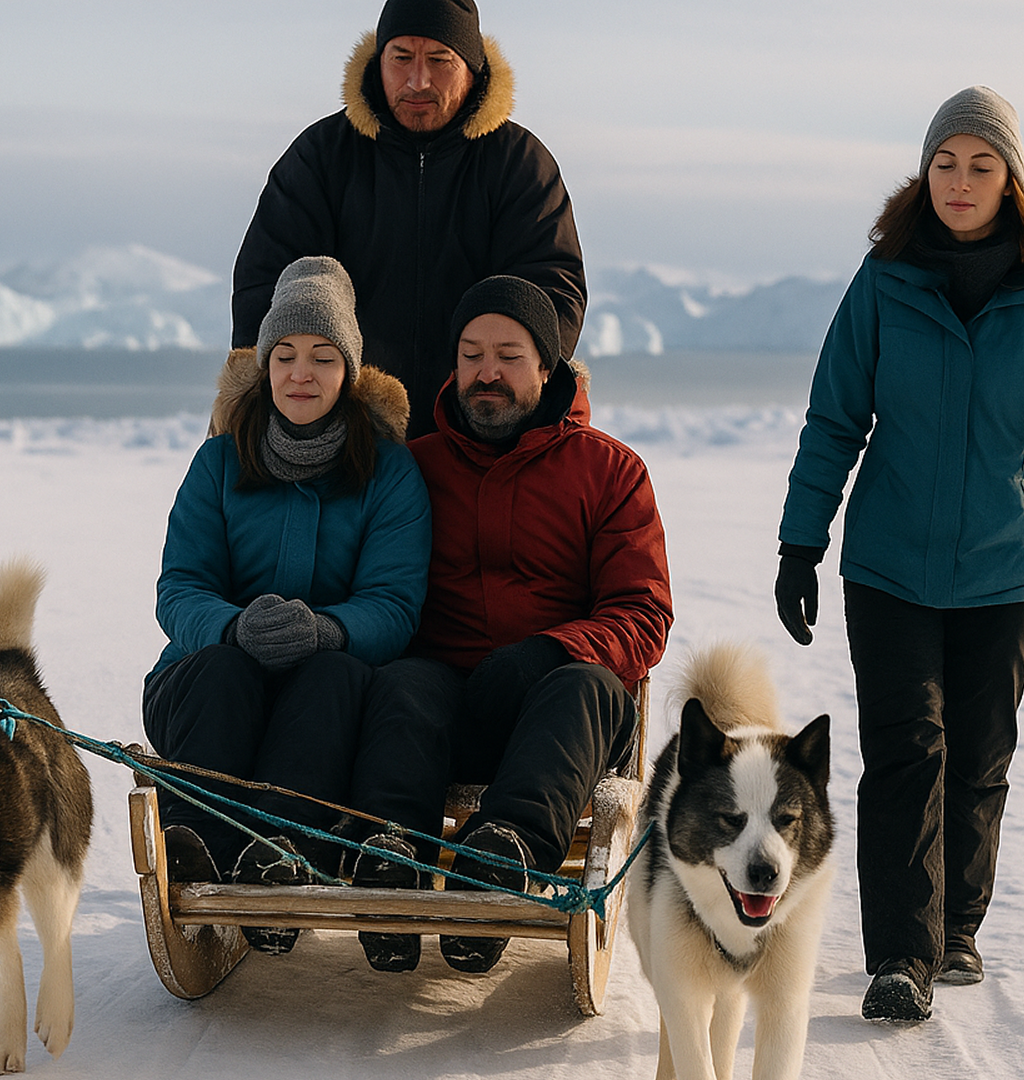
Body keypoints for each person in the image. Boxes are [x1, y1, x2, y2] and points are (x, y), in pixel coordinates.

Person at [774, 86, 1024, 1023]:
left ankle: (958, 926)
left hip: (1005, 569)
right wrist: (800, 541)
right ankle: (901, 953)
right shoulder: (884, 279)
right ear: (922, 173)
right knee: (902, 751)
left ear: (1011, 180)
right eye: (944, 163)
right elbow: (834, 416)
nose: (960, 181)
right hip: (888, 564)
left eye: (980, 164)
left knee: (977, 757)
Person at [347, 275, 672, 974]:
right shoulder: (415, 466)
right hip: (446, 698)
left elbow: (643, 612)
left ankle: (499, 860)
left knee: (581, 686)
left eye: (508, 355)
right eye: (470, 355)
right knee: (403, 686)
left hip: (560, 711)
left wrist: (549, 651)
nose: (486, 373)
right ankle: (389, 861)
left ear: (548, 367)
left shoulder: (611, 471)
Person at [144, 256, 432, 955]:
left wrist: (328, 631)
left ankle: (279, 857)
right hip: (207, 683)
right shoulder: (218, 460)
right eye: (286, 354)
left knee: (333, 680)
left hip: (326, 691)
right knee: (223, 671)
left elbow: (395, 604)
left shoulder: (389, 471)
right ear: (266, 362)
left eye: (322, 357)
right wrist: (233, 626)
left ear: (349, 371)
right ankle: (192, 846)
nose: (301, 373)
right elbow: (179, 586)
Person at [230, 0, 586, 439]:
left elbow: (550, 294)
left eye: (439, 60)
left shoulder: (519, 164)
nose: (418, 80)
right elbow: (264, 293)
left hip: (480, 443)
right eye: (401, 58)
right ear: (379, 61)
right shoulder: (321, 158)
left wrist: (495, 407)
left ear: (471, 68)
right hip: (346, 442)